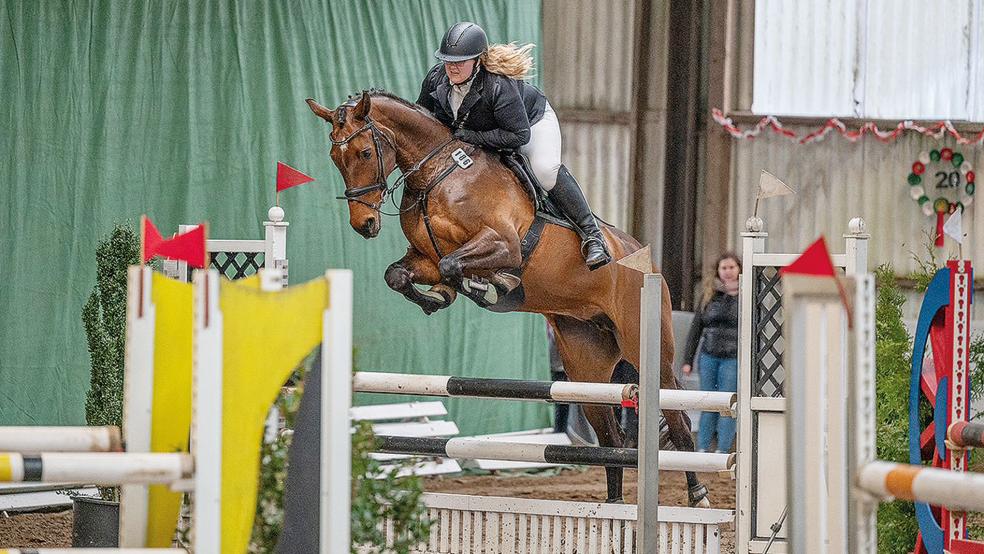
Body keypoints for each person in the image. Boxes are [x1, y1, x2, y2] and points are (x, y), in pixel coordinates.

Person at [416, 22, 610, 270]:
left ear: (477, 61)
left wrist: (473, 137)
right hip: (481, 132)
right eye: (448, 60)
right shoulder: (436, 79)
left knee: (544, 169)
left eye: (460, 61)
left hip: (529, 123)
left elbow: (517, 135)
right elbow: (422, 116)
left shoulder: (498, 85)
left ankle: (592, 236)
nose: (452, 66)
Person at [681, 252, 741, 453]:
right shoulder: (709, 294)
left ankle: (723, 450)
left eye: (732, 267)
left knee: (727, 405)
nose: (728, 272)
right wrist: (687, 360)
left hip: (732, 358)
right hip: (708, 355)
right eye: (724, 268)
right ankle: (702, 449)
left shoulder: (746, 294)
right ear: (718, 271)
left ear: (739, 269)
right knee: (707, 403)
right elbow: (696, 329)